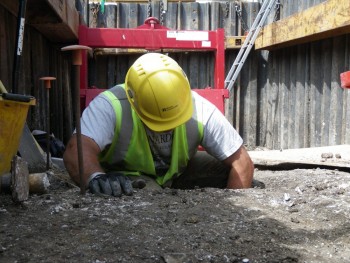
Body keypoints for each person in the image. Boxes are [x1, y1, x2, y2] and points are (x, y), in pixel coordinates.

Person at [63, 53, 255, 197]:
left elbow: (242, 162)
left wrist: (233, 208)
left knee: (231, 171)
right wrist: (95, 177)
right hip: (129, 175)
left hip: (177, 172)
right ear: (133, 100)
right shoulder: (110, 105)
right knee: (150, 195)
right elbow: (76, 150)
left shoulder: (201, 109)